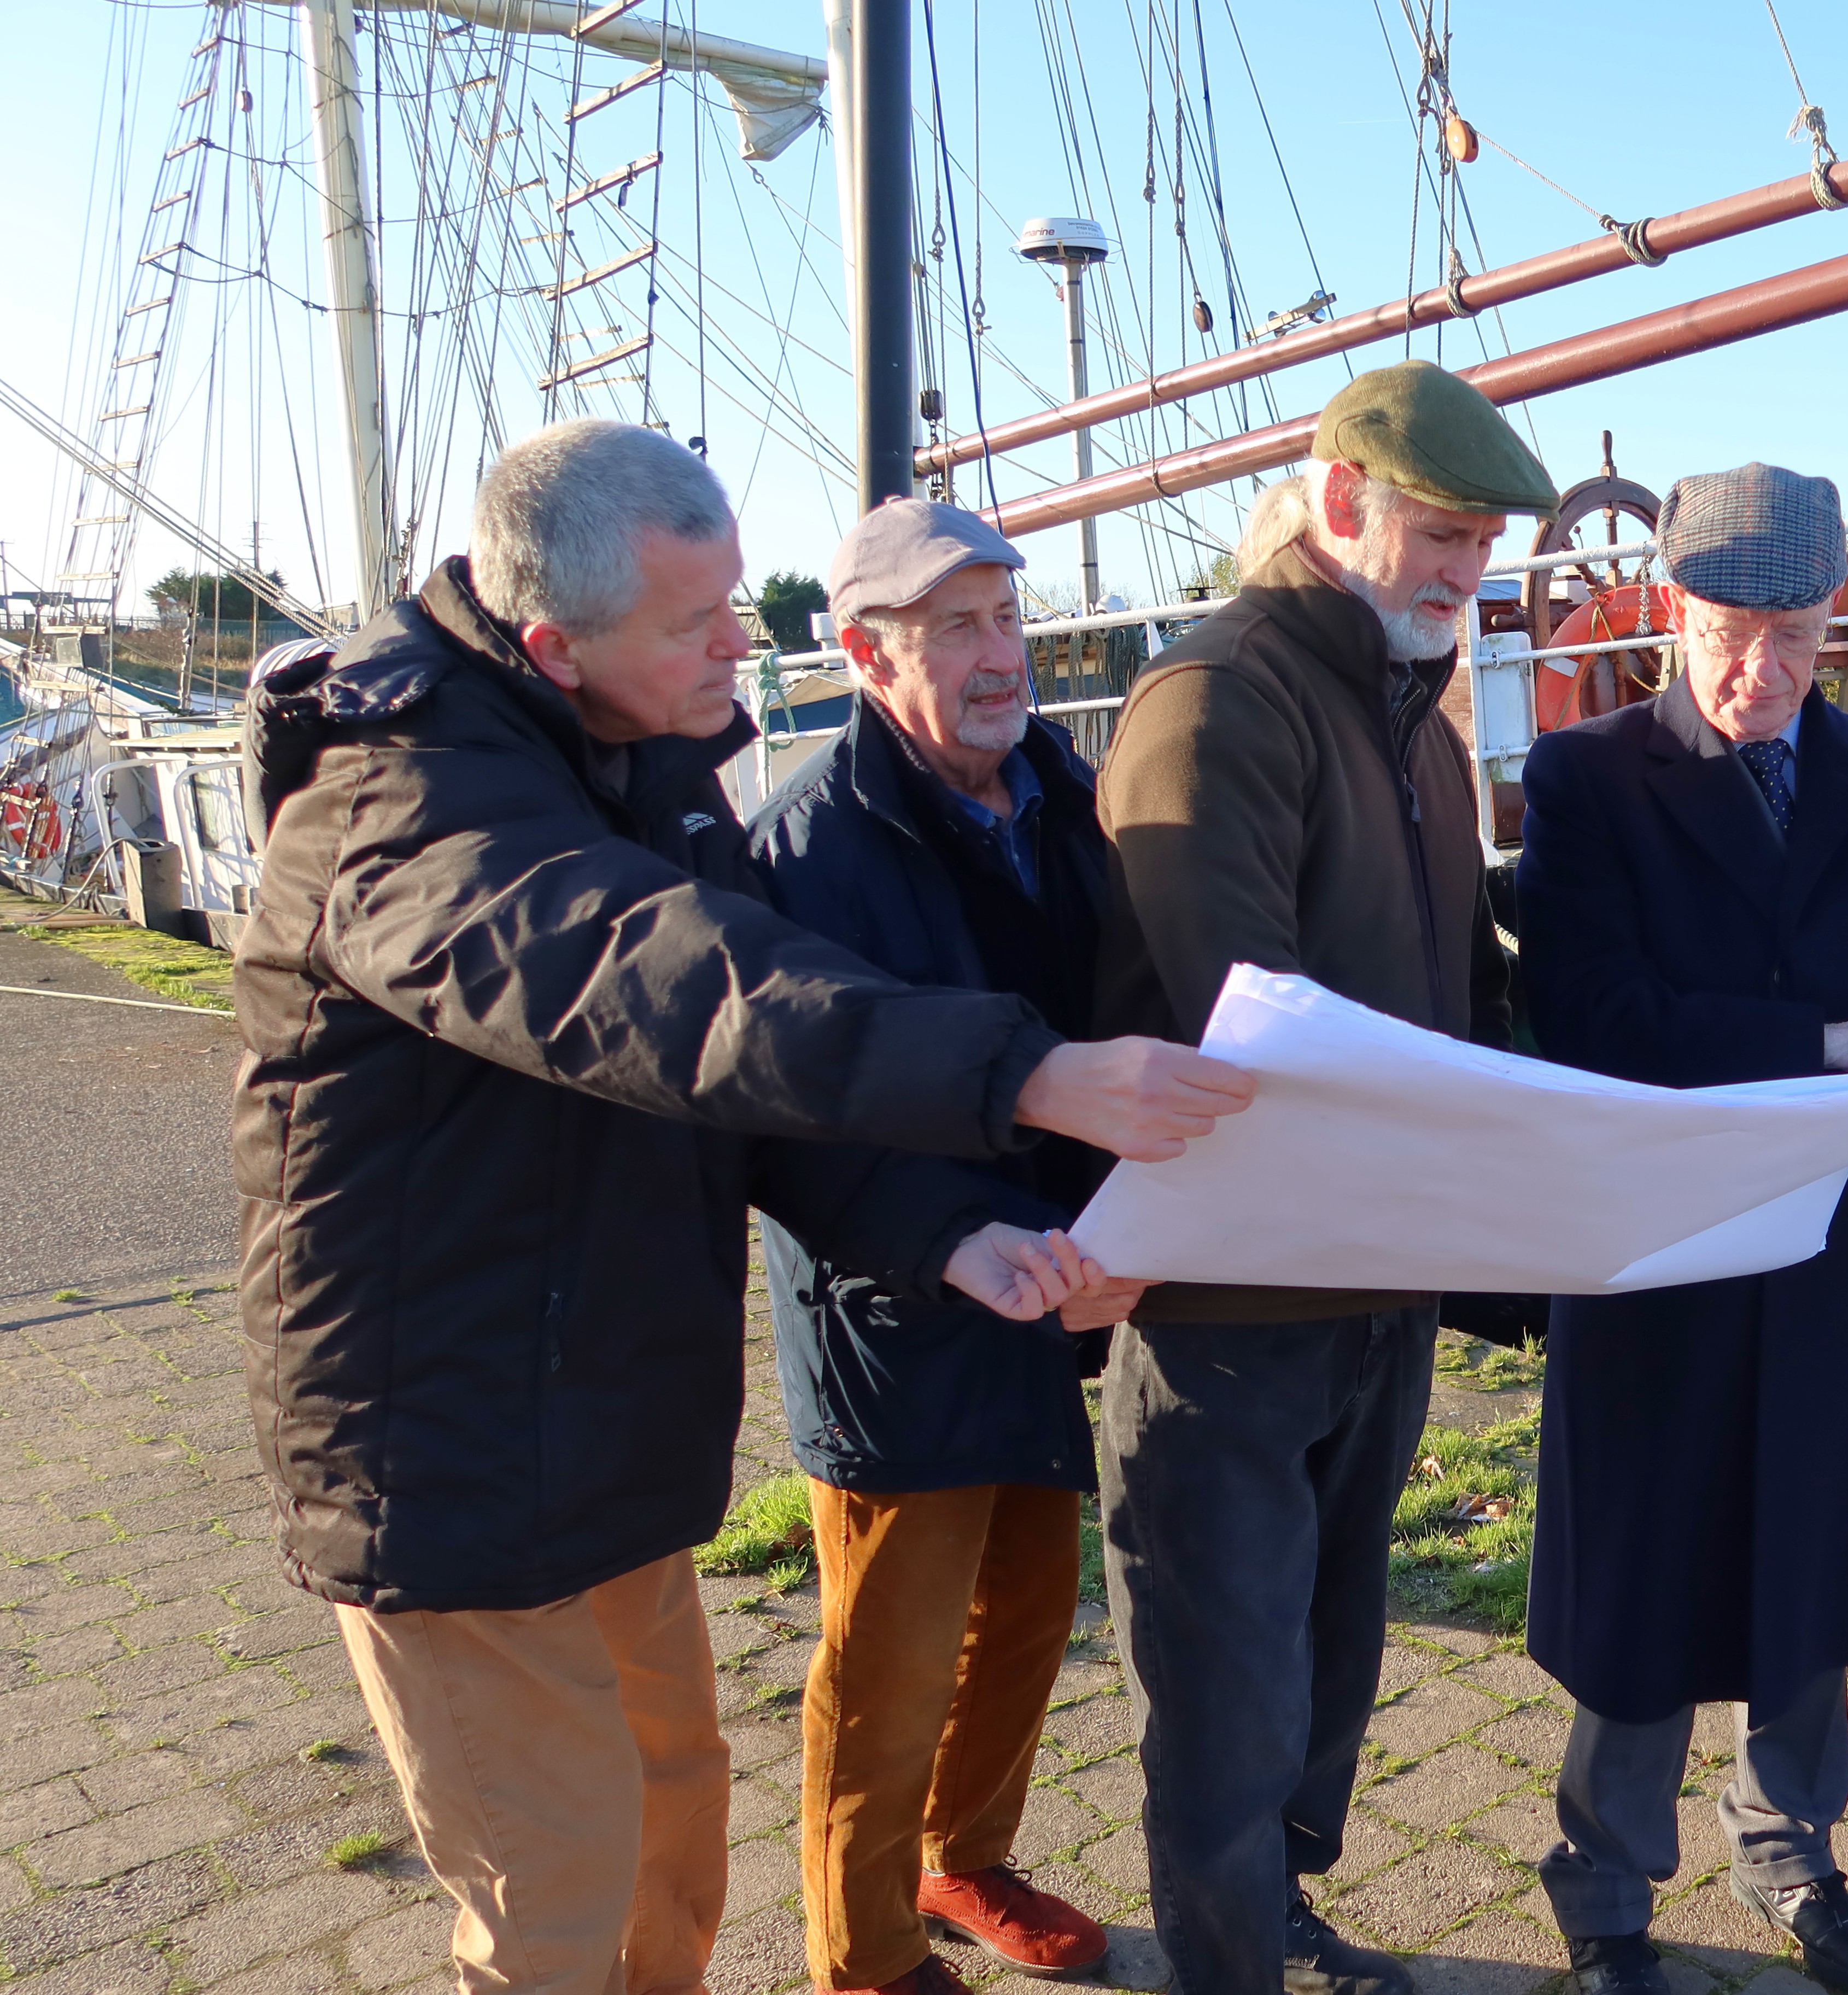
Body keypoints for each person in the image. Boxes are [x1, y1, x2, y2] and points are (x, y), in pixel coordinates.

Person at [233, 419, 1253, 1995]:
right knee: (553, 1895)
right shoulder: (401, 814)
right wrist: (1028, 1074)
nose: (746, 643)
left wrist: (945, 1236)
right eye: (696, 623)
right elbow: (661, 993)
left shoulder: (644, 774)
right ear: (553, 646)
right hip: (448, 1453)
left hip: (607, 1431)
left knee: (669, 1843)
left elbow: (746, 1106)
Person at [1508, 463, 1848, 1995]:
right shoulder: (1587, 777)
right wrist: (1839, 1045)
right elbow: (1590, 1019)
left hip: (1839, 1255)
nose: (1758, 672)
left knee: (1808, 1560)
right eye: (1728, 631)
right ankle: (1605, 1892)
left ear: (1835, 614)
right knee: (1642, 1572)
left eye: (1795, 636)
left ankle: (1793, 1852)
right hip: (1660, 1248)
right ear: (1671, 609)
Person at [1091, 358, 1553, 1995]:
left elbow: (1459, 988)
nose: (1463, 568)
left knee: (1328, 1656)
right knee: (1223, 1695)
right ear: (1340, 501)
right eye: (1438, 529)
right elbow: (1244, 1022)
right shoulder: (1220, 699)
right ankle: (1227, 1968)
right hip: (1232, 1305)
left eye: (1483, 540)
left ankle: (1280, 1917)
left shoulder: (1412, 714)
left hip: (1380, 1281)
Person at [748, 500, 1131, 1995]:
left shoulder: (1057, 788)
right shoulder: (808, 844)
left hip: (1047, 1279)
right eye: (957, 628)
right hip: (893, 1306)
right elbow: (778, 1120)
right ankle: (860, 1954)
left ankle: (966, 1859)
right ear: (864, 651)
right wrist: (944, 1237)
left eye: (1007, 622)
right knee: (889, 1659)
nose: (999, 658)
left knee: (1032, 1607)